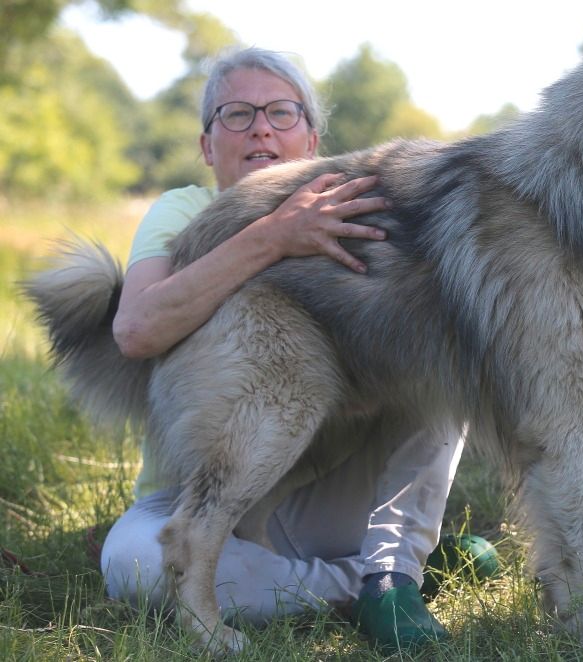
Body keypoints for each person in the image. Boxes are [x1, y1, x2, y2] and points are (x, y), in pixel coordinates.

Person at [100, 46, 466, 651]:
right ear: (206, 145)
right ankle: (375, 579)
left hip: (332, 489)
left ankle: (394, 572)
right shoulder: (182, 209)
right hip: (202, 495)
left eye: (280, 112)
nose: (260, 127)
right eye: (236, 114)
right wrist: (274, 235)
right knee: (136, 566)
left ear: (313, 139)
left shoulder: (357, 205)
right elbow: (136, 329)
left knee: (450, 340)